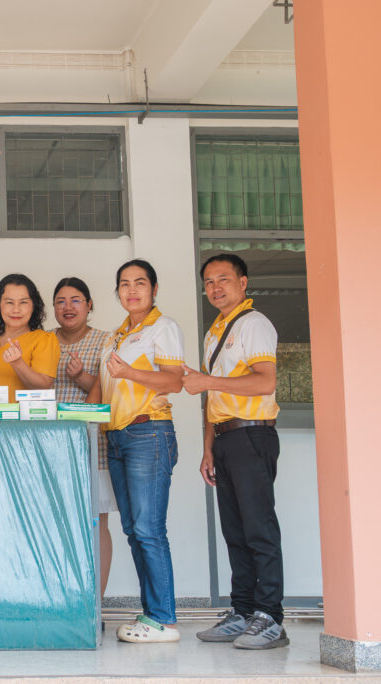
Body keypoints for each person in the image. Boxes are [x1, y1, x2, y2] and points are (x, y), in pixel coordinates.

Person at [183, 254, 287, 650]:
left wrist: (207, 381)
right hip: (226, 438)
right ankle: (242, 611)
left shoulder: (253, 324)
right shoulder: (215, 331)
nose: (215, 288)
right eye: (209, 282)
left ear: (243, 283)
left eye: (223, 279)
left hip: (252, 435)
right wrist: (208, 448)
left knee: (258, 528)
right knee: (235, 532)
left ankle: (270, 617)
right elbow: (212, 397)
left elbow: (264, 382)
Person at [87, 259, 184, 644]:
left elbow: (174, 381)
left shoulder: (163, 327)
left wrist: (129, 373)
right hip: (117, 438)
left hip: (148, 432)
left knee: (149, 529)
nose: (131, 290)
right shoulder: (117, 336)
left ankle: (164, 619)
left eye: (140, 283)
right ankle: (152, 613)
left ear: (154, 289)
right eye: (124, 284)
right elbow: (102, 389)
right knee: (133, 530)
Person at [51, 277, 114, 601]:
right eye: (61, 301)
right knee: (55, 522)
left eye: (75, 300)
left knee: (95, 523)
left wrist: (80, 377)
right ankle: (62, 599)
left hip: (92, 447)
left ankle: (95, 603)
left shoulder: (106, 341)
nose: (68, 307)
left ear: (89, 305)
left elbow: (109, 390)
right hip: (51, 447)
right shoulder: (44, 341)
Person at [0, 274, 59, 402]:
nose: (16, 309)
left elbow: (43, 385)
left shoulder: (44, 339)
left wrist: (18, 363)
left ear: (34, 306)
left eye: (23, 302)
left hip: (24, 416)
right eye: (9, 302)